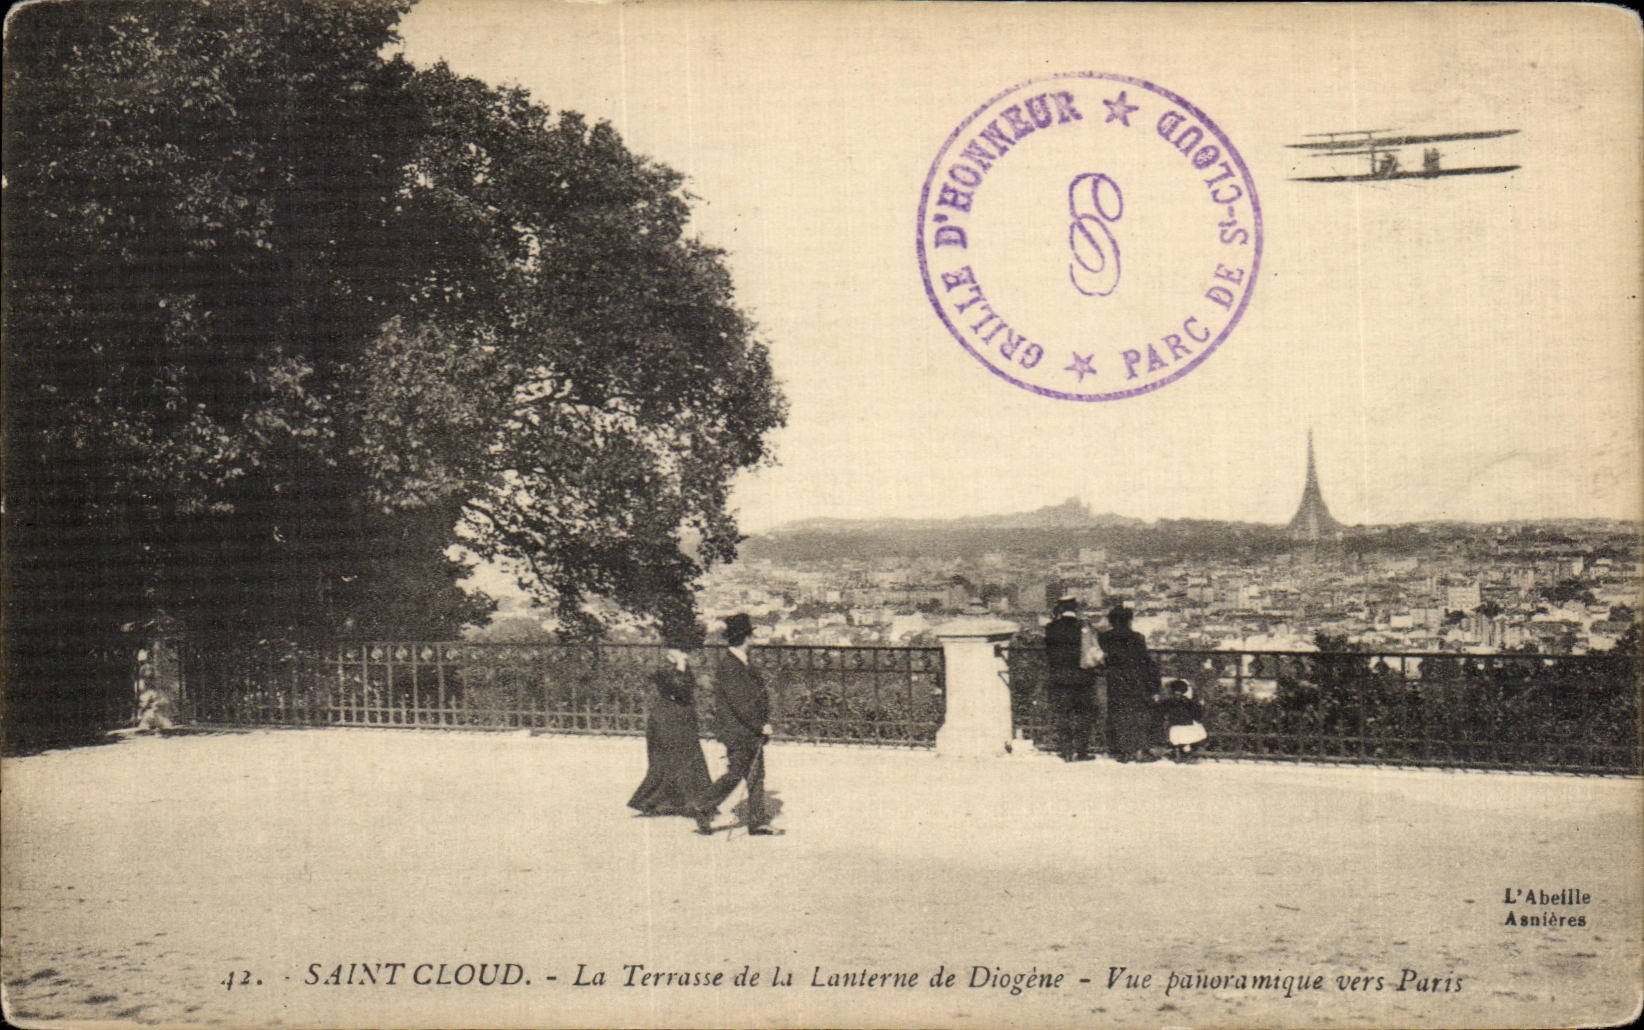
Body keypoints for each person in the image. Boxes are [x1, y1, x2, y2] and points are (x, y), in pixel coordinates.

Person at [627, 625, 717, 833]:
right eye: (683, 650)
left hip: (680, 718)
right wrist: (680, 666)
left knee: (685, 760)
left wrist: (683, 667)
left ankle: (677, 802)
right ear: (674, 650)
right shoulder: (666, 667)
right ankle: (694, 805)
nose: (687, 654)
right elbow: (679, 688)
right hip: (667, 719)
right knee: (676, 761)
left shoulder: (679, 666)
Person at [700, 613, 776, 835]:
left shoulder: (738, 663)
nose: (752, 642)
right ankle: (702, 806)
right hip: (739, 730)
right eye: (750, 637)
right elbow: (741, 704)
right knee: (737, 773)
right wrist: (759, 725)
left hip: (745, 729)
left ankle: (757, 821)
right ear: (745, 639)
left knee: (755, 775)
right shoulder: (731, 666)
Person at [1097, 603, 1162, 763]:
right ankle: (1136, 749)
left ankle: (1119, 750)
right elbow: (1145, 661)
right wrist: (1153, 684)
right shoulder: (1137, 638)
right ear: (1129, 621)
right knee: (1135, 714)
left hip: (1113, 679)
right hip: (1135, 679)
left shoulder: (1103, 637)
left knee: (1116, 713)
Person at [1043, 596, 1095, 761]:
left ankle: (1066, 751)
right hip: (1081, 678)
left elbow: (1049, 651)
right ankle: (1081, 752)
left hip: (1059, 678)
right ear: (1076, 609)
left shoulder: (1051, 628)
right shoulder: (1083, 627)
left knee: (1063, 715)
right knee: (1082, 715)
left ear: (1060, 609)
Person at [1157, 679, 1207, 763]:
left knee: (1178, 738)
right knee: (1190, 735)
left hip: (1175, 726)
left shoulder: (1169, 701)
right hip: (1186, 725)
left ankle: (1179, 752)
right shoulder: (1188, 701)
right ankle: (1185, 752)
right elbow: (1197, 713)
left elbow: (1161, 711)